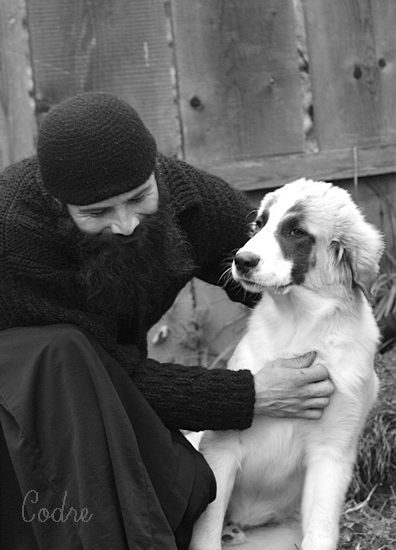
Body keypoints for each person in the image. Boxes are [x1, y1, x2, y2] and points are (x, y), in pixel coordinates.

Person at [0, 92, 334, 550]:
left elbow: (265, 267)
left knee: (190, 486)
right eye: (96, 213)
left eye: (139, 198)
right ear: (59, 205)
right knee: (63, 353)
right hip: (26, 403)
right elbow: (105, 377)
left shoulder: (186, 196)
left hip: (101, 385)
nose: (125, 223)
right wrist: (249, 393)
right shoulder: (15, 235)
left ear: (155, 172)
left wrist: (339, 332)